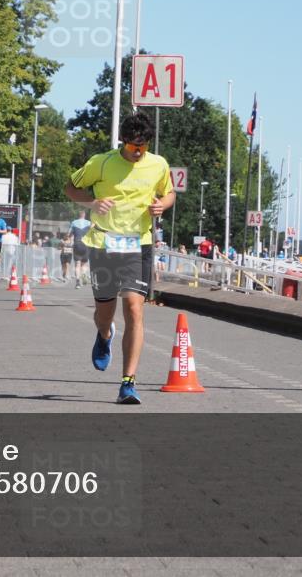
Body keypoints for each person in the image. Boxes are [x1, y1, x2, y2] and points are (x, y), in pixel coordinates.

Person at [64, 113, 175, 405]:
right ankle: (104, 335)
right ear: (122, 142)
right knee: (105, 312)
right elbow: (70, 187)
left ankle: (128, 382)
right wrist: (92, 203)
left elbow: (170, 192)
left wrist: (161, 204)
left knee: (134, 307)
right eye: (131, 146)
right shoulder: (100, 162)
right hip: (103, 242)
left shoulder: (159, 164)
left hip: (139, 245)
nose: (137, 152)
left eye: (142, 146)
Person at [69, 210, 92, 288]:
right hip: (86, 244)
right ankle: (84, 274)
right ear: (84, 215)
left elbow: (69, 234)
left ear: (78, 215)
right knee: (84, 263)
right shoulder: (89, 223)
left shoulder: (74, 222)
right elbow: (92, 232)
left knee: (77, 264)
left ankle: (78, 282)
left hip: (77, 244)